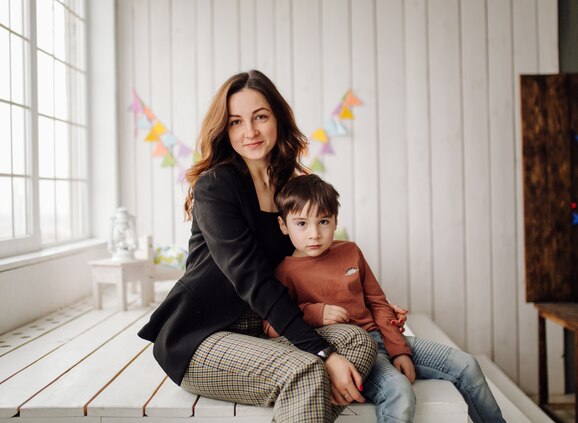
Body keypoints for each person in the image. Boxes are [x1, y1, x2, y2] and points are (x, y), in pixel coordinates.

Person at [138, 70, 408, 422]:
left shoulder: (287, 187)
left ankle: (298, 409)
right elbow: (252, 279)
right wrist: (324, 352)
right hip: (201, 337)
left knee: (357, 342)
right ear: (224, 129)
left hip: (262, 328)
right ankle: (302, 396)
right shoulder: (215, 186)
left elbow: (302, 266)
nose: (249, 132)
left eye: (260, 117)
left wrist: (373, 312)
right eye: (236, 122)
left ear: (277, 118)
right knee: (308, 369)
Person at [263, 174, 506, 423]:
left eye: (323, 221)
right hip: (351, 355)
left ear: (335, 221)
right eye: (301, 224)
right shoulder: (285, 271)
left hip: (383, 338)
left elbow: (377, 302)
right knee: (399, 392)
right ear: (283, 225)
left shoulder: (350, 251)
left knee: (467, 365)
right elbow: (272, 326)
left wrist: (399, 350)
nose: (314, 234)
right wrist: (316, 312)